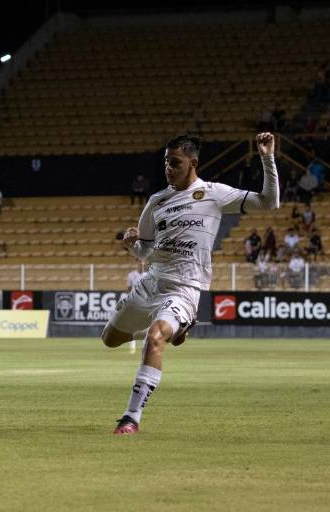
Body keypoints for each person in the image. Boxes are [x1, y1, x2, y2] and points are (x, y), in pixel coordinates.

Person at [102, 132, 279, 435]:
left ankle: (131, 418)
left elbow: (268, 203)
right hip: (151, 283)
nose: (168, 168)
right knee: (110, 339)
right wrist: (131, 244)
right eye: (166, 163)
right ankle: (175, 326)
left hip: (184, 289)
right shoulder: (157, 201)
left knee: (155, 338)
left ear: (193, 162)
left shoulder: (213, 193)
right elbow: (145, 250)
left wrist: (267, 157)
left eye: (175, 163)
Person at [124, 261, 144, 354]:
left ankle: (145, 347)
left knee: (146, 326)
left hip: (146, 303)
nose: (142, 264)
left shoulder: (149, 275)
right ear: (137, 264)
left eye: (143, 262)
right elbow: (128, 289)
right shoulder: (131, 275)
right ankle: (132, 348)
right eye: (140, 262)